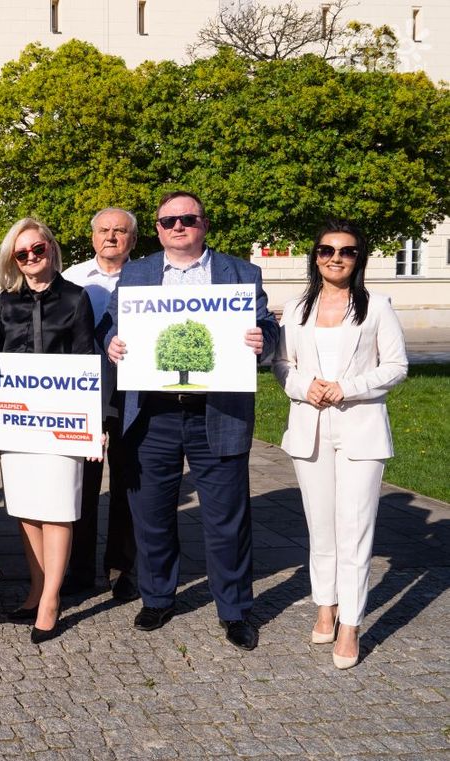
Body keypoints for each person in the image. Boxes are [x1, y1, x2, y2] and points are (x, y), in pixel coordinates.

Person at [105, 191, 278, 651]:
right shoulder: (137, 273)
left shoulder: (241, 273)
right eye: (167, 221)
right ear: (158, 229)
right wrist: (112, 344)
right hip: (152, 415)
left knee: (227, 519)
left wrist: (265, 340)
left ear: (204, 223)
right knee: (153, 515)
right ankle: (158, 597)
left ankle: (236, 610)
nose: (177, 227)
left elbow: (270, 330)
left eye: (187, 219)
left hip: (217, 413)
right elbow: (109, 324)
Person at [273, 220, 407, 669]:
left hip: (360, 429)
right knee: (321, 526)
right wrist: (303, 386)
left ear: (358, 258)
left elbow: (396, 367)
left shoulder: (377, 307)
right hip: (310, 427)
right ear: (315, 256)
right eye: (327, 250)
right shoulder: (296, 309)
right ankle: (325, 606)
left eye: (347, 251)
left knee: (355, 530)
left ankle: (350, 623)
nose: (336, 257)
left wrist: (346, 388)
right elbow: (282, 364)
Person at [0, 218, 96, 643]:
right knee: (26, 508)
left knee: (57, 509)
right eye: (23, 253)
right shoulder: (4, 303)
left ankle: (51, 599)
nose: (32, 257)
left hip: (62, 422)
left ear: (51, 249)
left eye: (38, 248)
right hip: (18, 423)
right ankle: (36, 588)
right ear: (13, 259)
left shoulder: (77, 298)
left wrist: (92, 427)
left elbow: (88, 360)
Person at [62, 207, 139, 601]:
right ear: (92, 237)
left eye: (120, 231)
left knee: (128, 483)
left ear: (133, 239)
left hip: (134, 394)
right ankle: (79, 569)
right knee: (81, 486)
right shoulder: (73, 278)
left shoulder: (147, 277)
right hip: (83, 395)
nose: (111, 237)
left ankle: (123, 567)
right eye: (104, 230)